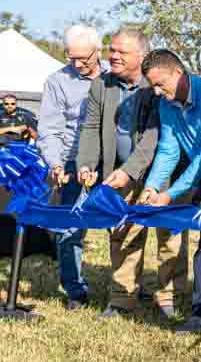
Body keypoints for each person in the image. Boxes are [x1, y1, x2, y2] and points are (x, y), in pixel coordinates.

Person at [76, 28, 186, 320]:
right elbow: (90, 128)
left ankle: (168, 299)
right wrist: (86, 164)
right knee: (122, 237)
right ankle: (123, 299)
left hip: (163, 175)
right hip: (119, 173)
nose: (112, 56)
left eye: (120, 52)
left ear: (141, 56)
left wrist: (130, 172)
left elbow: (155, 137)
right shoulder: (102, 85)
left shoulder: (156, 86)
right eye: (111, 50)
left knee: (170, 238)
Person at [136, 48, 201, 335]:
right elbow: (168, 150)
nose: (158, 92)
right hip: (200, 178)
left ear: (178, 72)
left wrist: (170, 194)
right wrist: (151, 186)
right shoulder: (167, 103)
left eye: (161, 84)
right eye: (153, 87)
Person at [37, 24, 106, 310]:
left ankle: (127, 290)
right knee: (69, 228)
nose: (77, 64)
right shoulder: (57, 81)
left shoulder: (114, 77)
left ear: (98, 51)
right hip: (71, 162)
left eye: (84, 58)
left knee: (124, 225)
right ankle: (75, 290)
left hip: (112, 161)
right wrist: (54, 162)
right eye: (71, 57)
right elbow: (49, 128)